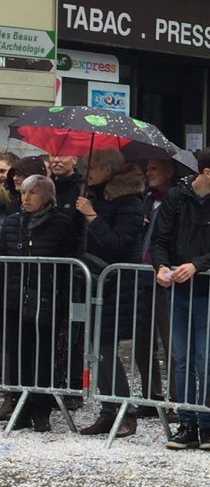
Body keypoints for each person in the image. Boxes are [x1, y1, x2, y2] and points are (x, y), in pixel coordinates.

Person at [152, 146, 210, 451]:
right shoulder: (177, 197)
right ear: (207, 172)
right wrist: (161, 266)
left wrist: (197, 265)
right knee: (182, 358)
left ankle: (208, 425)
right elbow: (159, 238)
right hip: (178, 288)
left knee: (205, 360)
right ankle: (187, 422)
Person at [76, 150, 146, 439]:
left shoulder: (129, 201)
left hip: (117, 285)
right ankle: (109, 409)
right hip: (93, 283)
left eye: (93, 165)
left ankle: (124, 411)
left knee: (105, 348)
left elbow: (119, 244)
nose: (87, 170)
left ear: (109, 168)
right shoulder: (95, 196)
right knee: (95, 349)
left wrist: (92, 217)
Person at [0, 175, 75, 431]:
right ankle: (20, 407)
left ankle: (41, 409)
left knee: (44, 354)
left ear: (46, 197)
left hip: (45, 297)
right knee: (19, 353)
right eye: (23, 193)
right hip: (14, 298)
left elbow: (68, 264)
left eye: (32, 193)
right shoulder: (12, 223)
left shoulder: (62, 224)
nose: (26, 198)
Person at [134, 158, 179, 416]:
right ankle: (151, 396)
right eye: (147, 168)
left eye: (153, 168)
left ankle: (175, 399)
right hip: (143, 275)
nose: (148, 173)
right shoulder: (146, 199)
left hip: (166, 275)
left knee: (170, 342)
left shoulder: (177, 199)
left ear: (169, 171)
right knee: (143, 342)